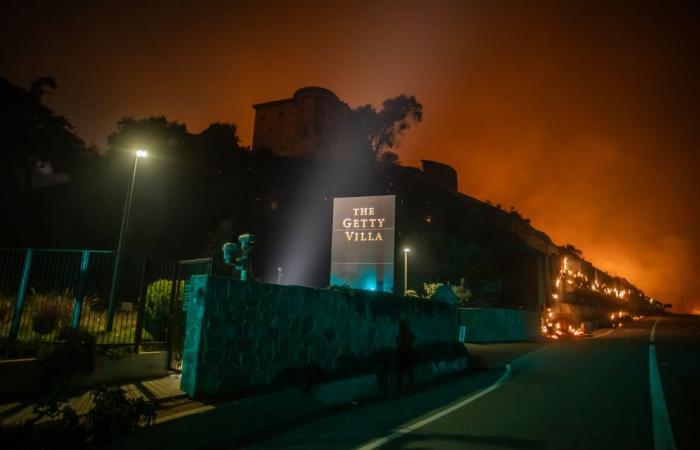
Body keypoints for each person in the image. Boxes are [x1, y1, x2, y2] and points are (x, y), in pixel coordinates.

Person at [396, 319, 416, 389]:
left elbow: (413, 338)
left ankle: (400, 386)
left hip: (403, 353)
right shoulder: (405, 332)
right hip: (405, 353)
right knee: (406, 370)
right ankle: (409, 384)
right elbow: (413, 338)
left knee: (402, 371)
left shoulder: (402, 332)